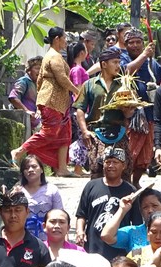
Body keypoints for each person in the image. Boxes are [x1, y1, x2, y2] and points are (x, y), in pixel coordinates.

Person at [11, 27, 79, 177]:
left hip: (59, 103)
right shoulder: (53, 57)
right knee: (49, 133)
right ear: (57, 39)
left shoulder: (54, 56)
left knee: (65, 134)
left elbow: (40, 80)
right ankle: (18, 151)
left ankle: (61, 168)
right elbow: (62, 79)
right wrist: (77, 91)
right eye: (64, 38)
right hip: (52, 102)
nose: (66, 41)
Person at [74, 47, 136, 179]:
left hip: (119, 132)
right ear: (104, 64)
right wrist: (85, 131)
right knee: (97, 169)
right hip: (96, 133)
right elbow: (80, 109)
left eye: (119, 62)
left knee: (123, 169)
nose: (118, 66)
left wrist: (128, 110)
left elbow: (129, 113)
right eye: (115, 62)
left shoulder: (123, 85)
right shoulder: (89, 85)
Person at [75, 146, 142, 261]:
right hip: (93, 247)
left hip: (119, 249)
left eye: (115, 162)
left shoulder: (130, 191)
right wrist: (79, 231)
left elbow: (136, 224)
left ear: (123, 166)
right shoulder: (91, 186)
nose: (111, 166)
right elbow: (81, 214)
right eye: (108, 162)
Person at [122, 30, 161, 185]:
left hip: (149, 114)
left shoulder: (153, 64)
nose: (135, 45)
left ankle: (136, 181)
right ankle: (125, 181)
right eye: (131, 42)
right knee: (129, 151)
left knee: (145, 155)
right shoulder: (122, 59)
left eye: (138, 42)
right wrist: (144, 56)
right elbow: (125, 71)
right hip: (130, 115)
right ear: (126, 45)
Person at [101, 187, 161, 253]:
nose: (150, 210)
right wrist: (122, 210)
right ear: (140, 210)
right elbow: (106, 236)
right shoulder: (132, 232)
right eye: (145, 207)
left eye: (154, 206)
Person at [18, 154, 64, 240]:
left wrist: (63, 236)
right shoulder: (18, 191)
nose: (30, 170)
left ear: (42, 170)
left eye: (34, 166)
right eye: (26, 168)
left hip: (48, 235)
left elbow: (60, 214)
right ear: (23, 172)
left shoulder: (52, 190)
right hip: (24, 236)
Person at [67, 42, 91, 175]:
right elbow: (78, 88)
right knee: (81, 138)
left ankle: (79, 167)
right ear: (82, 53)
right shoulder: (77, 70)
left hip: (80, 107)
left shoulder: (77, 69)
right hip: (80, 108)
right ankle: (77, 167)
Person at [8, 56, 43, 132]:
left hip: (35, 125)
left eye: (41, 69)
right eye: (37, 68)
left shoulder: (37, 84)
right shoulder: (24, 81)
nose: (39, 72)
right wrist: (26, 111)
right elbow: (13, 97)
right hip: (24, 122)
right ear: (29, 70)